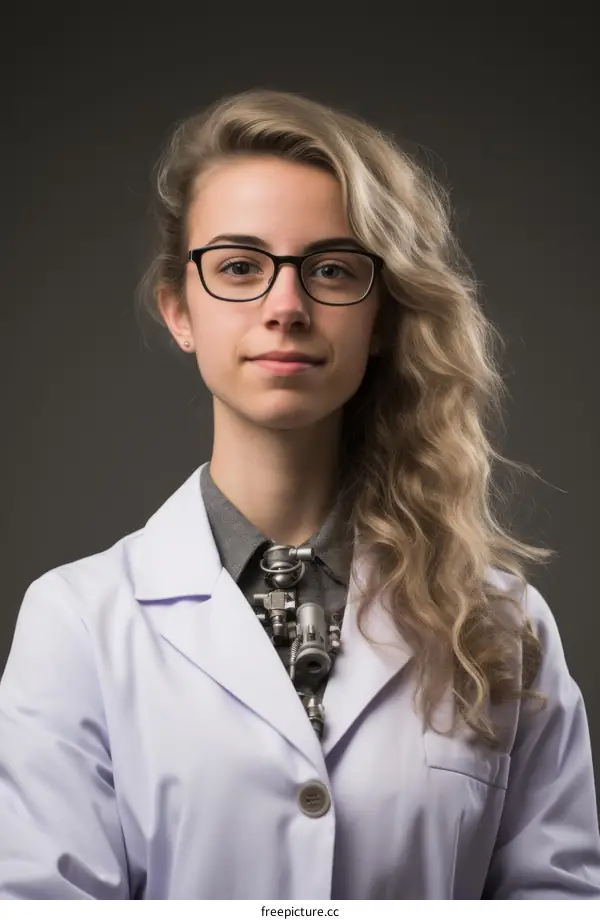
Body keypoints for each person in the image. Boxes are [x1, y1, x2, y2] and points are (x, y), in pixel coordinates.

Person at [1, 89, 599, 901]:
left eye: (330, 269)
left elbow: (560, 902)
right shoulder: (76, 623)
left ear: (381, 316)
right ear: (179, 308)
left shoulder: (501, 625)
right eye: (240, 266)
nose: (286, 307)